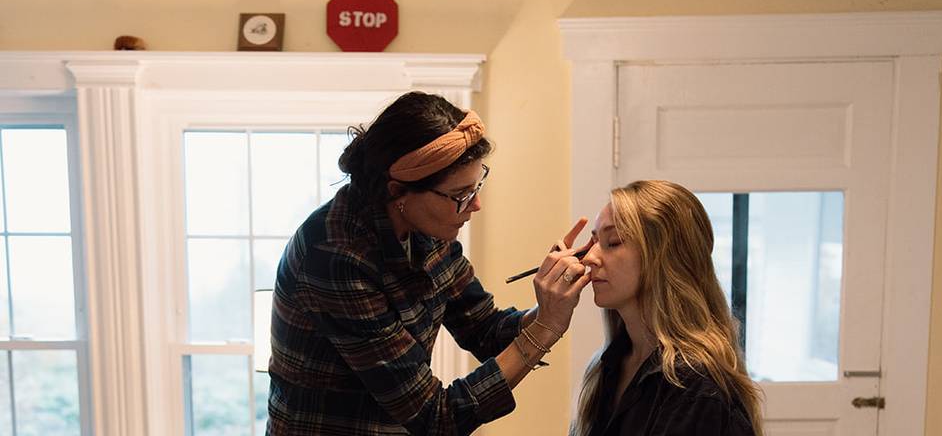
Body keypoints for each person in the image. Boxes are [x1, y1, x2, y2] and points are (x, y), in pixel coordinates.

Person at [267, 91, 591, 435]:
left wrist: (546, 306)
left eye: (477, 185)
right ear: (397, 192)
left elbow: (484, 329)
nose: (475, 204)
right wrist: (546, 329)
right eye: (459, 195)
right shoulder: (336, 255)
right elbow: (433, 418)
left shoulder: (431, 230)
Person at [571, 180, 764, 436]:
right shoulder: (612, 364)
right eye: (593, 243)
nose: (589, 258)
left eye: (613, 241)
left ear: (664, 256)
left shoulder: (697, 386)